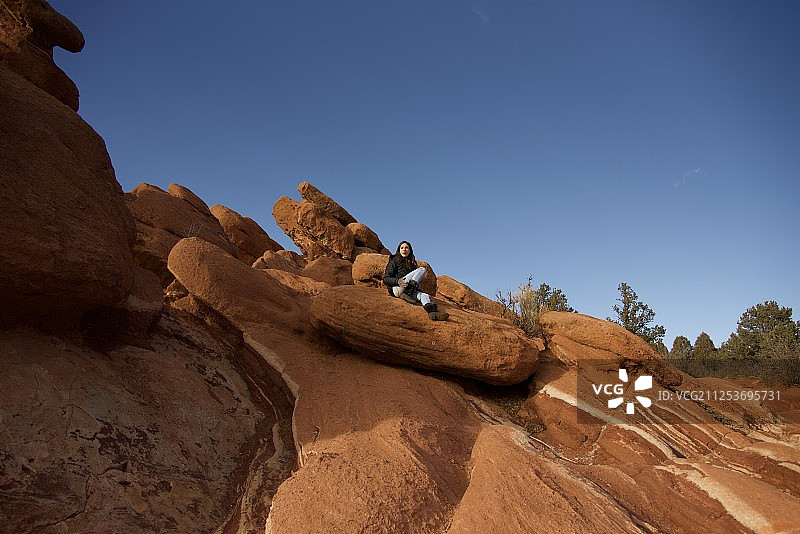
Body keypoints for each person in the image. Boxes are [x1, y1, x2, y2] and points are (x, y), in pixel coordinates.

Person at [383, 241, 449, 321]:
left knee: (424, 295)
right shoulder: (394, 261)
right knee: (422, 269)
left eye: (406, 248)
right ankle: (407, 293)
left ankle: (433, 313)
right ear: (399, 250)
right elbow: (386, 279)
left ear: (410, 250)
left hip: (408, 290)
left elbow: (415, 280)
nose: (404, 249)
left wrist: (418, 290)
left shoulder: (412, 264)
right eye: (402, 248)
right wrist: (398, 281)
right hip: (398, 287)